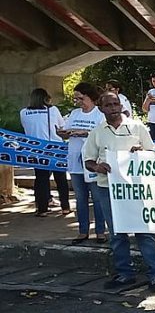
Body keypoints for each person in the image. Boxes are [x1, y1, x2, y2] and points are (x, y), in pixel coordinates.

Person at [83, 92, 155, 293]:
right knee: (117, 233)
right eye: (108, 105)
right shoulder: (97, 132)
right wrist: (97, 167)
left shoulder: (137, 127)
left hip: (136, 188)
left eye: (115, 104)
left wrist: (141, 153)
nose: (113, 108)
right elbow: (88, 160)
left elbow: (153, 153)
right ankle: (124, 273)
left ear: (121, 105)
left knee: (144, 231)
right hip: (108, 188)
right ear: (101, 109)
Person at [58, 82, 106, 245]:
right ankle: (83, 231)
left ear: (90, 97)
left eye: (80, 98)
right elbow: (66, 131)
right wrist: (64, 133)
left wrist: (85, 133)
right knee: (80, 198)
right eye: (75, 99)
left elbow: (103, 135)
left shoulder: (99, 114)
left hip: (93, 162)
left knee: (97, 198)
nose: (78, 101)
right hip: (75, 160)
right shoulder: (74, 113)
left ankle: (100, 231)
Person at [19, 88, 70, 217]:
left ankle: (42, 208)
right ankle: (65, 207)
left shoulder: (23, 112)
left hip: (35, 149)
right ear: (45, 98)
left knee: (41, 178)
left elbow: (26, 129)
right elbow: (62, 126)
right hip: (54, 147)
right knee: (60, 178)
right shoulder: (52, 110)